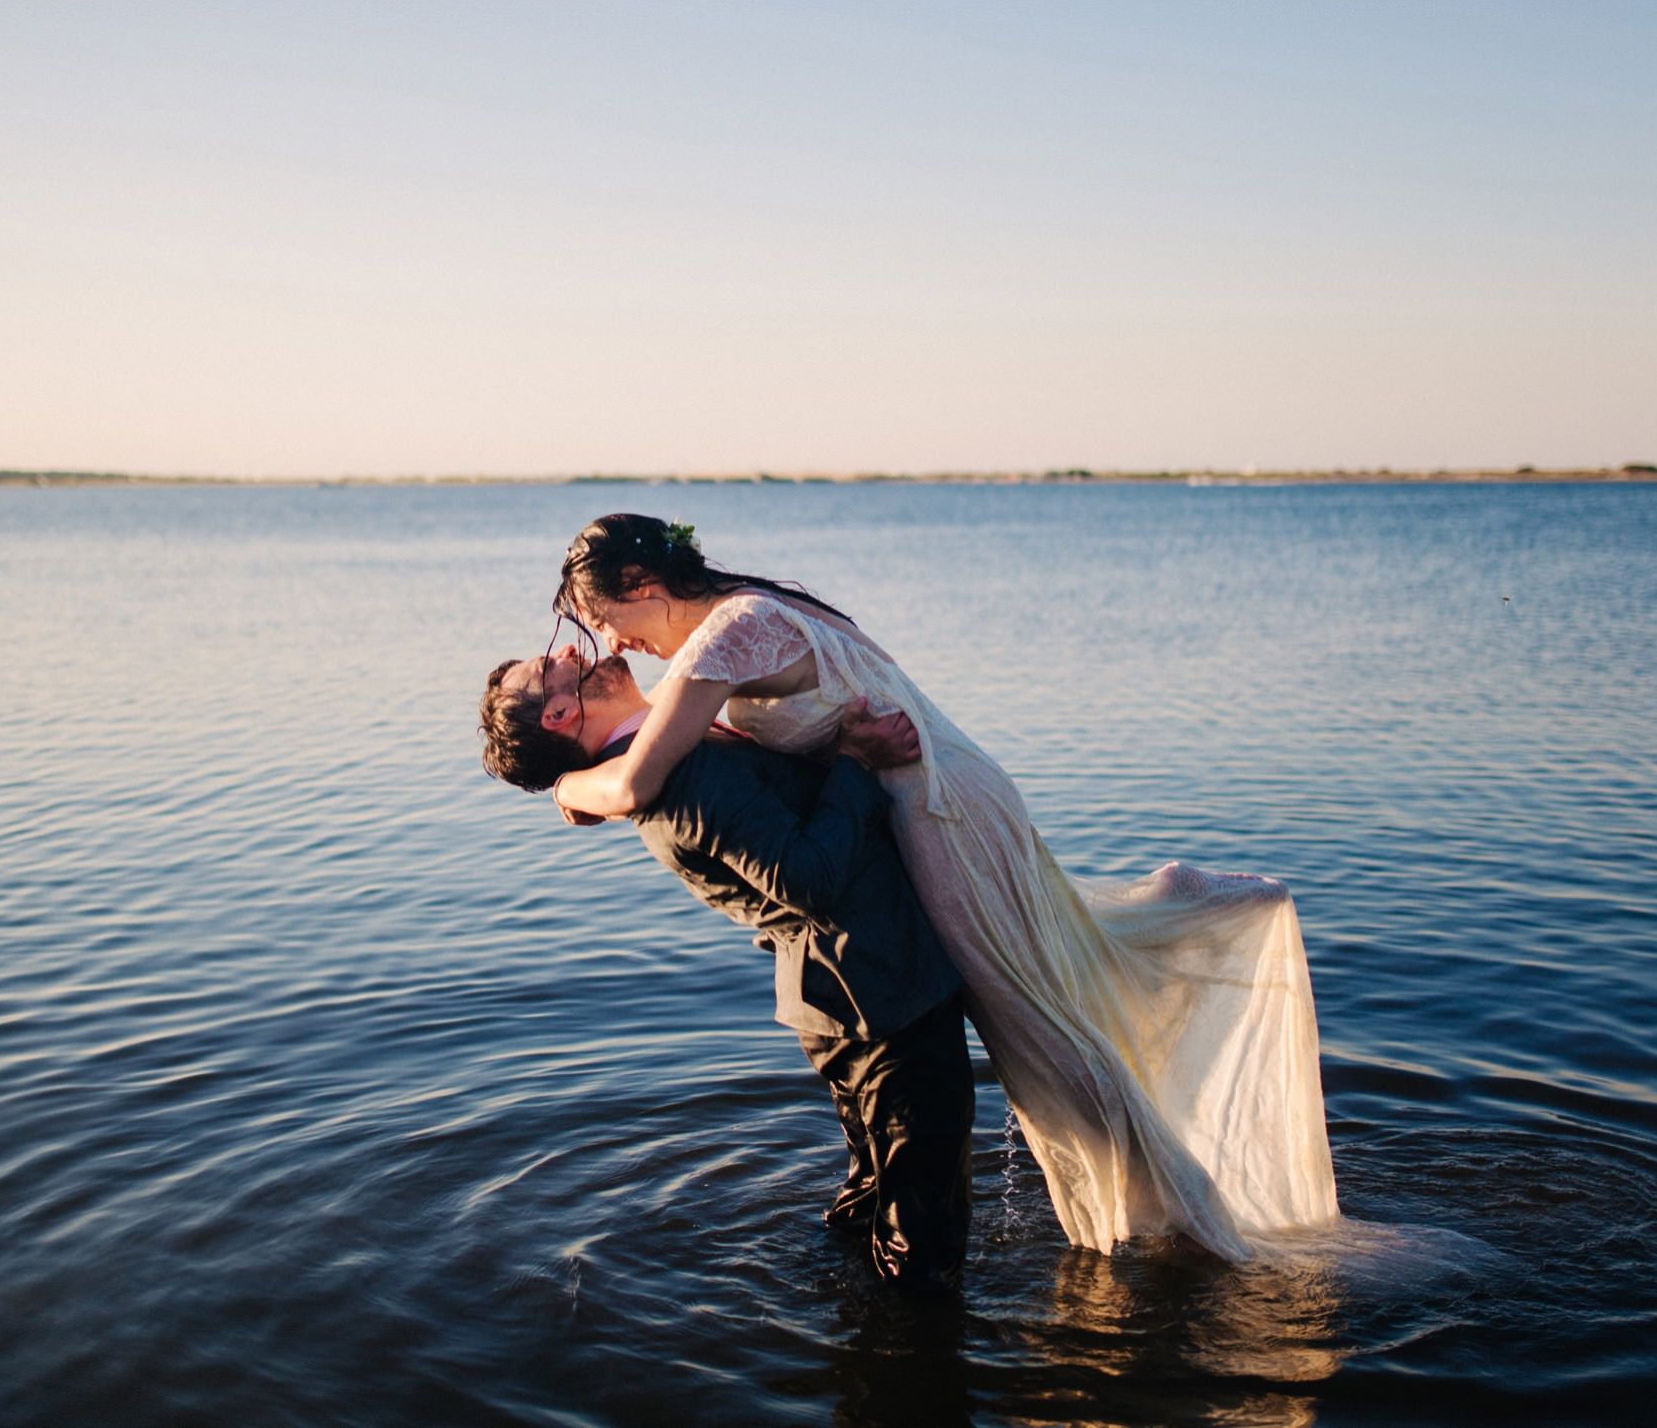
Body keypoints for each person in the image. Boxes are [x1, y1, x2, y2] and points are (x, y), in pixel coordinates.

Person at [541, 514, 1338, 1262]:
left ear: (642, 582)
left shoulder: (728, 637)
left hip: (940, 813)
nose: (609, 642)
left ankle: (1191, 1224)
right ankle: (1182, 946)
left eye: (602, 618)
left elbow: (642, 779)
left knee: (1040, 1031)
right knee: (1050, 999)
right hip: (943, 798)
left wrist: (568, 792)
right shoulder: (750, 613)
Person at [480, 644, 976, 1292]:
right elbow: (809, 878)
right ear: (559, 715)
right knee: (922, 1244)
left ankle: (855, 1331)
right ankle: (912, 1371)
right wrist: (858, 761)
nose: (569, 647)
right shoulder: (681, 780)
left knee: (876, 1203)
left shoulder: (658, 757)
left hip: (852, 999)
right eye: (548, 666)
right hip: (881, 1000)